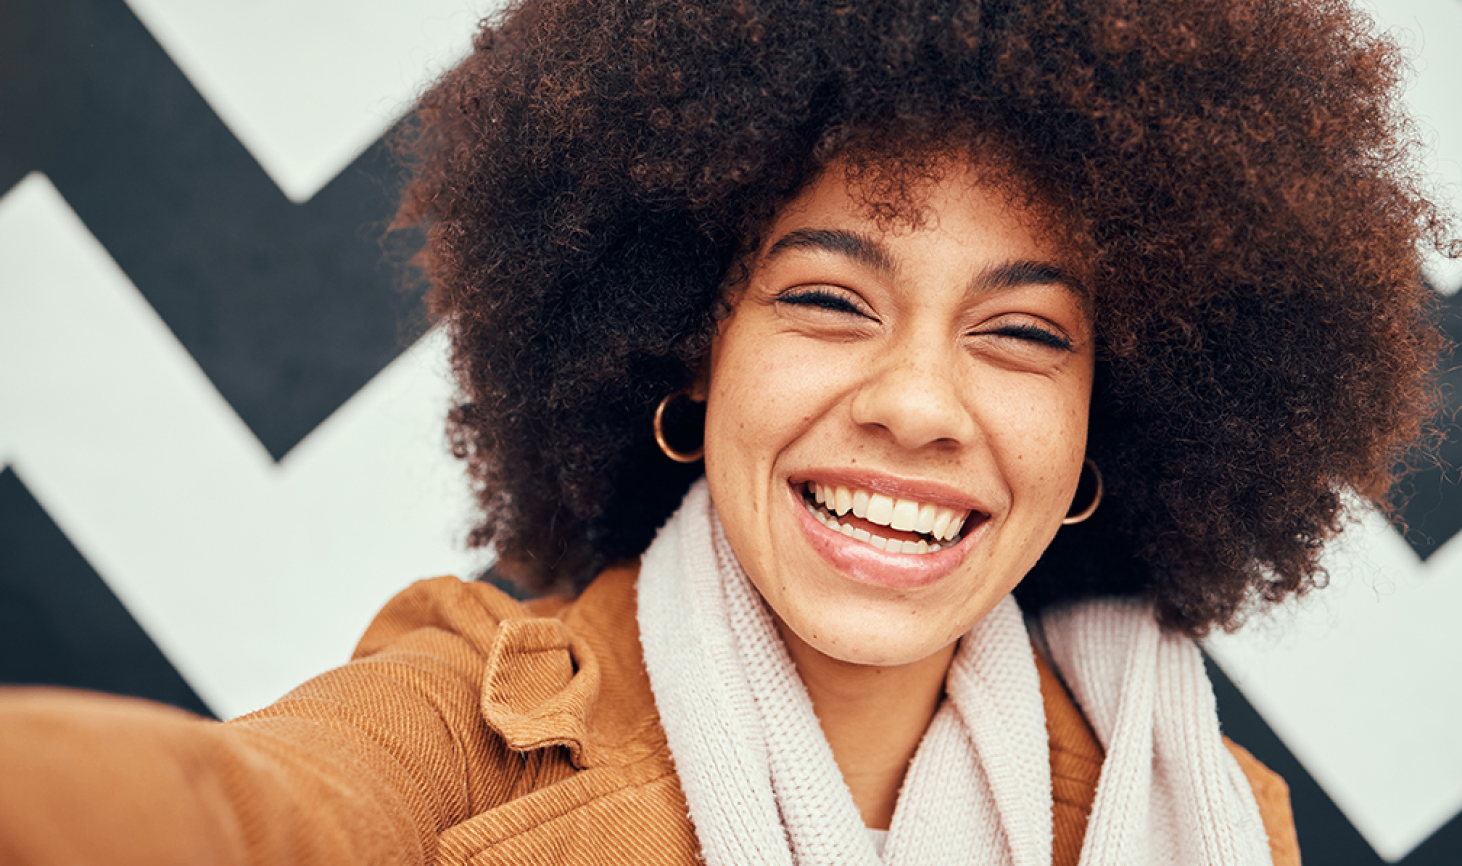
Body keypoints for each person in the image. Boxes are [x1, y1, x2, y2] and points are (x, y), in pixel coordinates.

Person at [0, 0, 1447, 863]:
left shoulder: (1200, 812)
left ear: (1098, 428)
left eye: (1020, 332)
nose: (915, 403)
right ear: (693, 346)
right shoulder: (473, 728)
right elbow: (242, 814)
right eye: (827, 297)